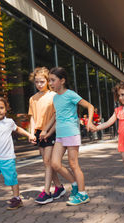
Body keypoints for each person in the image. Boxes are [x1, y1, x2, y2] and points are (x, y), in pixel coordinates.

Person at [41, 67, 96, 206]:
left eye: (53, 80)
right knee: (55, 164)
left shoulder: (70, 94)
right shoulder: (55, 97)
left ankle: (83, 194)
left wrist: (89, 122)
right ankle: (75, 184)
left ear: (62, 80)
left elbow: (89, 106)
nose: (50, 83)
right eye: (49, 81)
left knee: (73, 164)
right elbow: (56, 116)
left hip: (71, 133)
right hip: (60, 135)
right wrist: (47, 132)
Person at [28, 67, 64, 205]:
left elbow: (56, 115)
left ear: (47, 81)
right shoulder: (33, 98)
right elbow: (32, 117)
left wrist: (47, 130)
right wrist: (31, 133)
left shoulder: (53, 96)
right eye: (37, 82)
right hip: (38, 132)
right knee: (46, 162)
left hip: (49, 131)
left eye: (42, 81)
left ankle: (47, 192)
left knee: (48, 162)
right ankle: (59, 187)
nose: (39, 85)